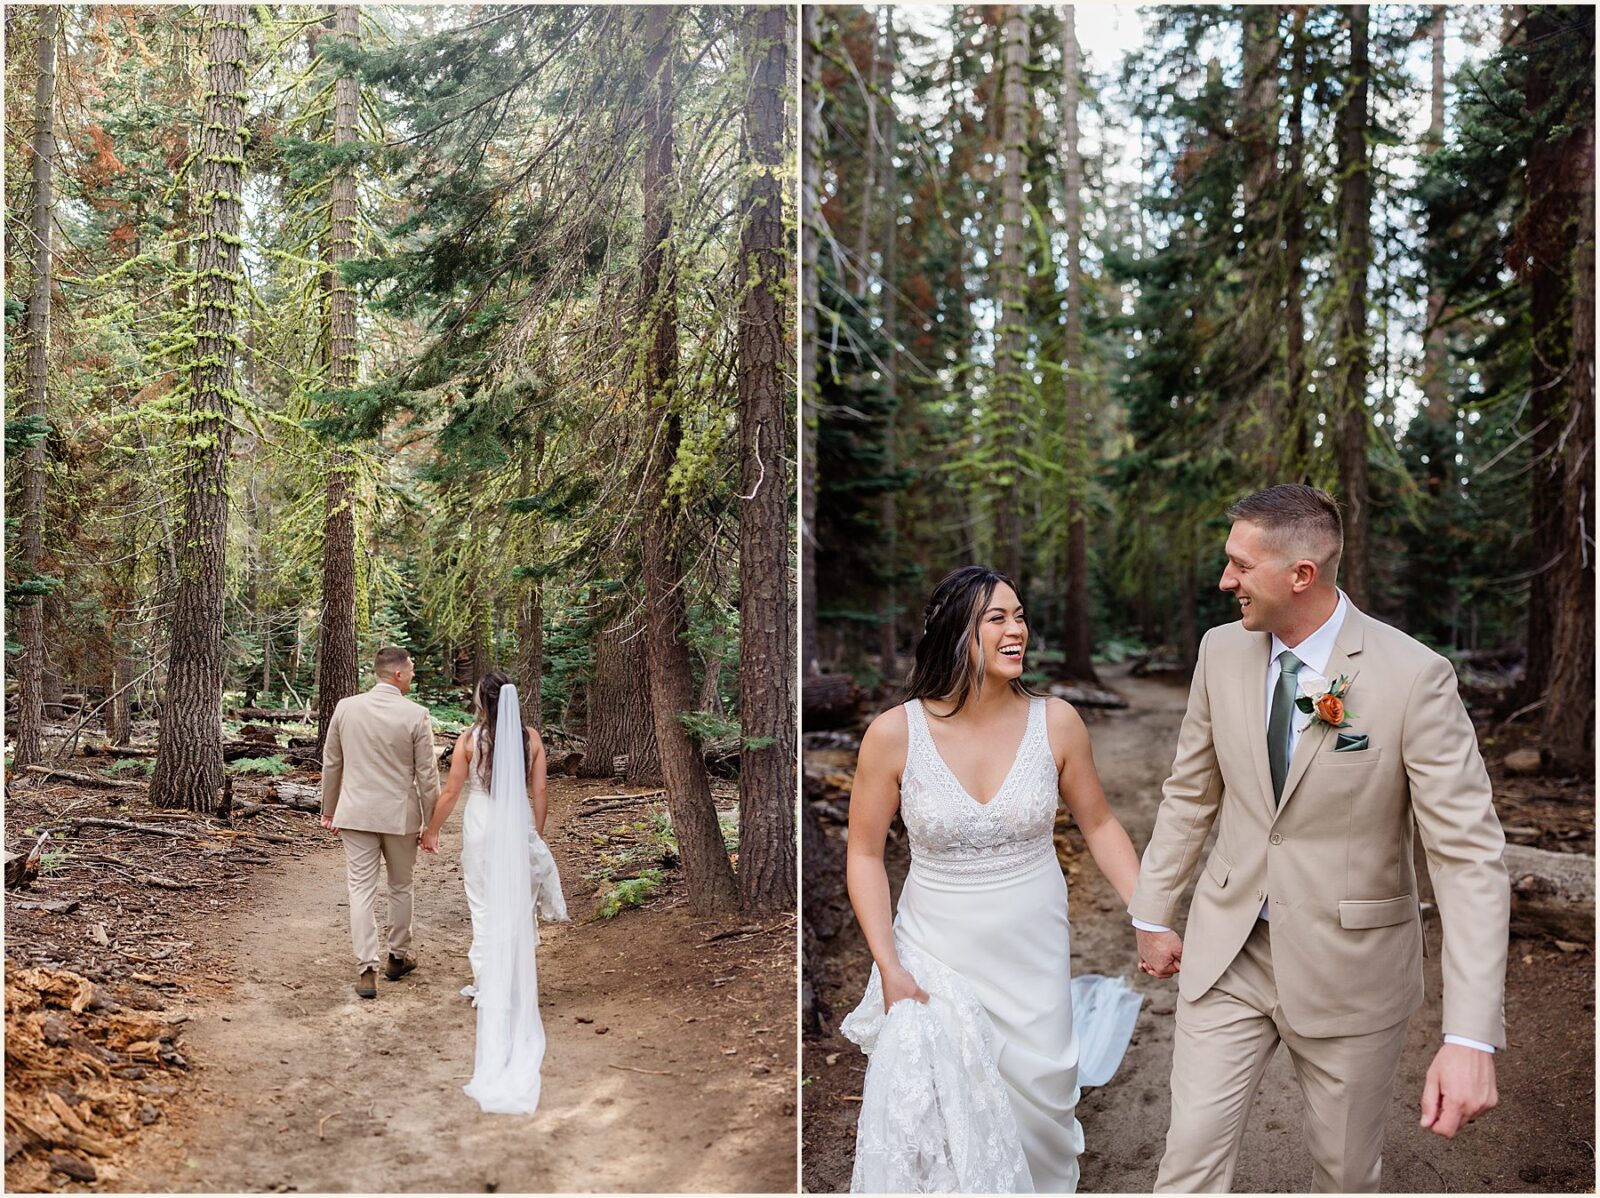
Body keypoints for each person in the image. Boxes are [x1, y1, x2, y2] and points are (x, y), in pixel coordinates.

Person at [1131, 484, 1508, 1192]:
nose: (1225, 581)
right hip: (1230, 952)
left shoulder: (1414, 678)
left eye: (1241, 566)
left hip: (1351, 971)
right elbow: (1190, 792)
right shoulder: (1220, 653)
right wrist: (1153, 912)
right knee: (1187, 1159)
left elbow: (1468, 860)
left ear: (1300, 574)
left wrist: (1469, 1036)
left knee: (1344, 1174)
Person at [842, 565, 1143, 1193]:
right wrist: (889, 964)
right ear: (957, 632)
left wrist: (1151, 916)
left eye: (1021, 616)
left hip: (1033, 959)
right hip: (936, 956)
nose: (1017, 631)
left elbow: (1102, 824)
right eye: (997, 618)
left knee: (1039, 1117)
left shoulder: (1056, 722)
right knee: (941, 1122)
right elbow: (865, 854)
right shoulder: (895, 734)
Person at [422, 671, 566, 1114]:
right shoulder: (531, 738)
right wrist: (533, 833)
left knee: (483, 907)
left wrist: (431, 830)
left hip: (482, 825)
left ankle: (489, 986)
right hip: (515, 822)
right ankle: (514, 984)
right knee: (516, 908)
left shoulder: (470, 738)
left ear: (480, 701)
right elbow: (540, 788)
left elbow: (451, 791)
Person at [320, 646, 441, 1000]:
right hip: (399, 816)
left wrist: (329, 808)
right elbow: (427, 777)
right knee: (401, 886)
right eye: (412, 668)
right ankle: (397, 957)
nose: (414, 674)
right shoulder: (416, 715)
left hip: (356, 812)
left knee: (360, 889)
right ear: (398, 674)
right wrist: (430, 823)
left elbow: (332, 762)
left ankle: (366, 968)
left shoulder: (346, 708)